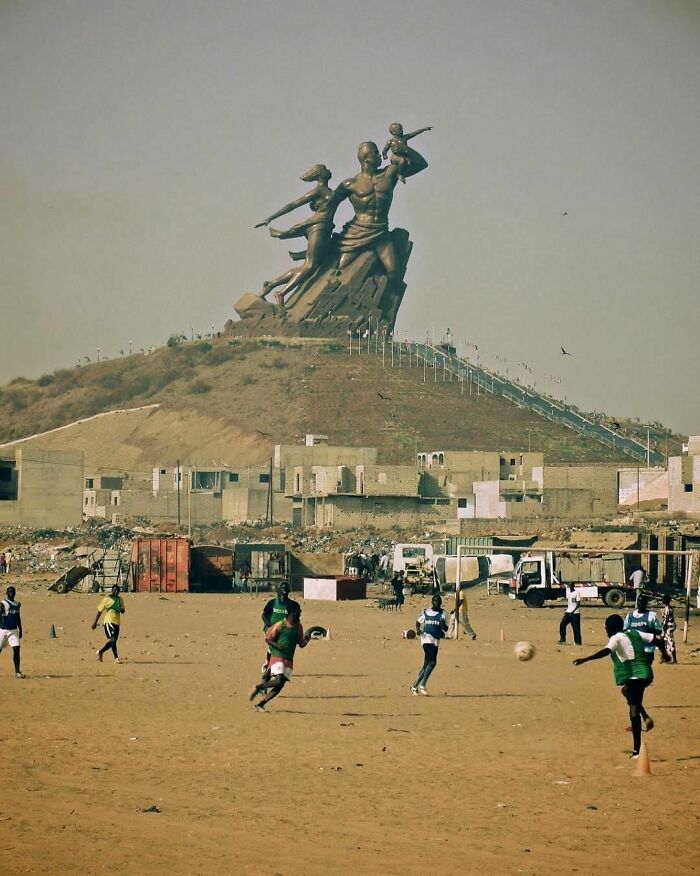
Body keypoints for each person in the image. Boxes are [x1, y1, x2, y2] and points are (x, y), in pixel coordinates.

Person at [332, 139, 428, 279]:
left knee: (394, 272)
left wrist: (405, 149)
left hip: (381, 233)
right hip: (357, 233)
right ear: (366, 159)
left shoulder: (389, 173)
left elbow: (421, 164)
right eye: (375, 153)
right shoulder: (350, 184)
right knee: (338, 270)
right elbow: (329, 206)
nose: (379, 155)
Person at [573, 614, 665, 758]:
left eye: (606, 627)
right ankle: (646, 717)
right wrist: (665, 654)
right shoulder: (634, 633)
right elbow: (657, 641)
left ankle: (636, 752)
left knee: (633, 711)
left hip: (635, 676)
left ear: (611, 628)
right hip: (646, 674)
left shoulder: (615, 638)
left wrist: (585, 659)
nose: (605, 630)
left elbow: (606, 651)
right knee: (626, 691)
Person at [256, 164, 337, 307]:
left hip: (325, 228)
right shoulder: (319, 190)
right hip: (318, 227)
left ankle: (270, 285)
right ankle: (281, 293)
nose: (328, 170)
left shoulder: (329, 191)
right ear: (319, 174)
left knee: (312, 264)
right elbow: (294, 204)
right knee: (310, 265)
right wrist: (270, 218)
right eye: (325, 169)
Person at [249, 602, 309, 711]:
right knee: (278, 680)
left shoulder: (298, 627)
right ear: (291, 612)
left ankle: (260, 704)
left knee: (280, 686)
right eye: (298, 610)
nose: (300, 612)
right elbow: (268, 638)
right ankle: (259, 687)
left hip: (289, 659)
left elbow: (301, 644)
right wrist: (277, 645)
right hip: (278, 656)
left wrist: (306, 639)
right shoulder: (280, 625)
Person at [260, 582, 299, 681]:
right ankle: (268, 666)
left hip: (283, 631)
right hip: (271, 630)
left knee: (277, 649)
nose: (283, 594)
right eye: (282, 591)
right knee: (273, 648)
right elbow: (264, 614)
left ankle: (273, 667)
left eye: (286, 591)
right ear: (278, 591)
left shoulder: (291, 605)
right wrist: (267, 622)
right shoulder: (272, 603)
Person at [411, 594, 448, 696]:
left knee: (427, 664)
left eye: (439, 602)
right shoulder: (426, 612)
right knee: (432, 662)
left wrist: (443, 625)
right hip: (426, 638)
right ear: (432, 602)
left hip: (436, 640)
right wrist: (418, 630)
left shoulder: (443, 613)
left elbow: (446, 629)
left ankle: (414, 686)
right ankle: (422, 684)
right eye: (435, 602)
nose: (437, 604)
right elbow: (418, 622)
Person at [92, 584, 125, 663]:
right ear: (112, 590)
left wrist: (121, 609)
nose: (116, 591)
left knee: (113, 641)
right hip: (108, 621)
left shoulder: (120, 599)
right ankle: (116, 658)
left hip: (117, 622)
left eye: (117, 590)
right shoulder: (107, 599)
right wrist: (95, 622)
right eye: (114, 590)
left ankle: (100, 652)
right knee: (113, 640)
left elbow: (123, 610)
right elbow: (99, 611)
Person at [0, 586, 24, 678]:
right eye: (10, 591)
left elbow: (18, 617)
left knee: (16, 649)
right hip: (3, 631)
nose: (11, 593)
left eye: (13, 591)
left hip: (13, 631)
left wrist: (20, 629)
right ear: (7, 593)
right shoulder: (3, 603)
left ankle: (17, 672)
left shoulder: (17, 604)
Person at [558, 581, 582, 646]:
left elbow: (578, 603)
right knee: (562, 624)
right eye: (569, 585)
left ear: (573, 586)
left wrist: (573, 611)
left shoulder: (577, 593)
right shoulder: (568, 593)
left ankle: (578, 642)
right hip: (568, 612)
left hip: (575, 613)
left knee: (576, 628)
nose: (570, 586)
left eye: (571, 585)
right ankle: (562, 639)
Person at [660, 594, 678, 664]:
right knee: (666, 642)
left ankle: (673, 659)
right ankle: (666, 658)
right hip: (669, 626)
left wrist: (663, 627)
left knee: (669, 642)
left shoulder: (667, 608)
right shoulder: (670, 608)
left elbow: (666, 618)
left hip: (668, 627)